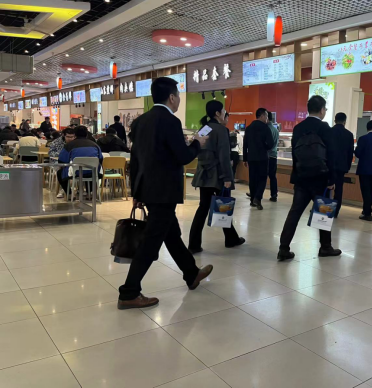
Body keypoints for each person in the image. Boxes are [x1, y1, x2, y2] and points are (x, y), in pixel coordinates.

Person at [118, 77, 212, 310]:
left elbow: (135, 160)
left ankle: (191, 273)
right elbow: (183, 156)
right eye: (178, 96)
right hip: (164, 191)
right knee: (151, 241)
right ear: (171, 97)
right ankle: (129, 292)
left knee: (170, 234)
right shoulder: (170, 121)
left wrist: (136, 191)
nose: (178, 100)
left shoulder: (140, 122)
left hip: (148, 189)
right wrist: (197, 143)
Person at [278, 95, 341, 261]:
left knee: (294, 213)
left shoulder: (298, 128)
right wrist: (332, 179)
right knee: (323, 211)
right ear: (321, 110)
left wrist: (296, 173)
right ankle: (325, 247)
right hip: (321, 178)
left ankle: (283, 248)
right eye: (325, 109)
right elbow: (332, 155)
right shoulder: (325, 128)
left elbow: (295, 154)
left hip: (302, 178)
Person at [189, 100, 245, 254]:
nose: (225, 113)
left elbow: (197, 148)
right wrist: (228, 177)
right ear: (217, 113)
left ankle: (194, 243)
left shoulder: (204, 128)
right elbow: (224, 156)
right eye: (223, 111)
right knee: (222, 204)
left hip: (204, 174)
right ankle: (231, 239)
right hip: (217, 175)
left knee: (204, 208)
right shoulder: (221, 130)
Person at [57, 126, 103, 196]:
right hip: (94, 172)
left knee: (59, 173)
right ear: (87, 134)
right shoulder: (95, 145)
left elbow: (61, 161)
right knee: (91, 168)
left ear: (75, 134)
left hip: (77, 172)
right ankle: (90, 193)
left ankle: (69, 194)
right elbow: (100, 159)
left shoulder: (69, 145)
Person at [243, 108, 274, 210]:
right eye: (266, 116)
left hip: (251, 157)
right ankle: (258, 198)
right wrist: (264, 147)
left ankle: (252, 200)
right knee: (262, 178)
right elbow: (271, 144)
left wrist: (245, 158)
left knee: (253, 179)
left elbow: (245, 144)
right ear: (262, 116)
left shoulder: (249, 128)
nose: (267, 118)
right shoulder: (265, 128)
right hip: (262, 157)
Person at [331, 112, 354, 217]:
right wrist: (347, 166)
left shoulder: (329, 132)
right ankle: (335, 211)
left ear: (335, 120)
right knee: (339, 189)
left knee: (327, 186)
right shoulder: (349, 135)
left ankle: (324, 209)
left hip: (329, 165)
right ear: (345, 121)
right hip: (341, 166)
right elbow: (350, 153)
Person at [267, 112, 280, 202]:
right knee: (273, 176)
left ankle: (256, 194)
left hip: (267, 155)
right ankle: (274, 194)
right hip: (274, 155)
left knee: (261, 176)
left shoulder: (266, 129)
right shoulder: (276, 130)